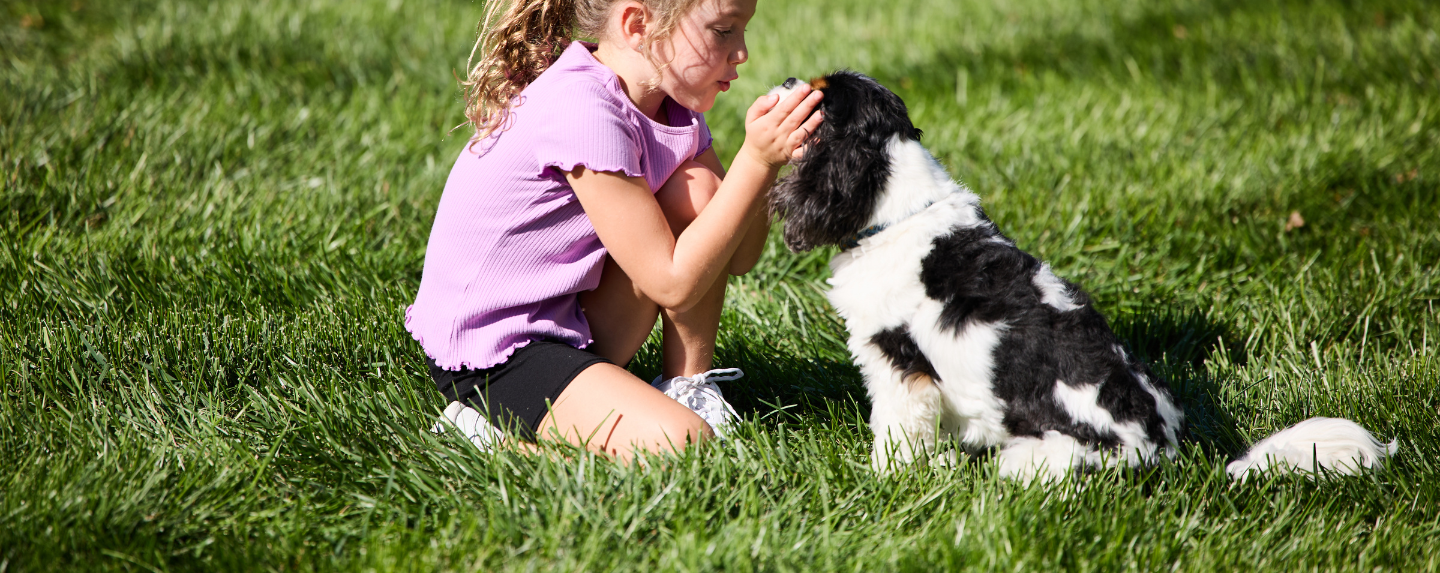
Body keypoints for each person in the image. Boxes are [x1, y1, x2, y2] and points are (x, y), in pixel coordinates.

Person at [405, 0, 823, 462]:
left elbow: (737, 256)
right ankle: (488, 437)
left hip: (568, 317)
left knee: (701, 193)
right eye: (723, 30)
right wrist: (755, 159)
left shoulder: (670, 102)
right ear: (638, 24)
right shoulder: (583, 109)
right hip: (498, 349)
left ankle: (687, 386)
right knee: (686, 447)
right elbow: (673, 282)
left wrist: (766, 167)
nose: (742, 51)